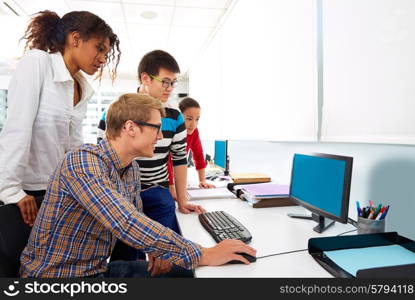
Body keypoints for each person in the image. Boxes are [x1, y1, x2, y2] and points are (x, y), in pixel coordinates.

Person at [20, 93, 256, 278]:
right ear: (130, 128)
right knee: (197, 267)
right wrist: (203, 253)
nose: (161, 136)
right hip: (56, 278)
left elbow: (135, 215)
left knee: (191, 274)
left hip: (96, 270)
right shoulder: (83, 162)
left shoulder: (130, 168)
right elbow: (126, 222)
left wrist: (157, 249)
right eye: (156, 127)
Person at [0, 10, 121, 226]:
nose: (103, 58)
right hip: (23, 191)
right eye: (99, 48)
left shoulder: (82, 87)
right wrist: (10, 190)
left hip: (56, 190)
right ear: (75, 39)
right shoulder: (38, 63)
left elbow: (73, 148)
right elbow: (17, 129)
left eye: (106, 52)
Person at [97, 50, 203, 236]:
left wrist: (182, 199)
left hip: (157, 190)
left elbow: (179, 160)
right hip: (122, 194)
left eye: (173, 83)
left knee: (170, 246)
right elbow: (103, 158)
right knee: (128, 255)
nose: (170, 88)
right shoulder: (116, 112)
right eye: (165, 82)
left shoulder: (175, 117)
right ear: (145, 78)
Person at [167, 97, 215, 200]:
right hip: (163, 178)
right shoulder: (173, 131)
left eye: (197, 119)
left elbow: (198, 155)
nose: (193, 124)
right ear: (179, 117)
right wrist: (171, 187)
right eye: (189, 119)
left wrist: (202, 180)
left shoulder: (194, 132)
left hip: (176, 177)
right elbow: (168, 162)